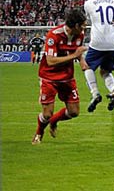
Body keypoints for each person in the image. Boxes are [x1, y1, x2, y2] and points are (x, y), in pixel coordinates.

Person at [31, 9, 88, 145]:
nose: (84, 28)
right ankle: (39, 132)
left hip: (67, 77)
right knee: (46, 114)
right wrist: (74, 56)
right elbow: (50, 61)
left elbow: (77, 51)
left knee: (74, 112)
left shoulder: (79, 35)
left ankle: (54, 121)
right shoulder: (54, 35)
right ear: (75, 25)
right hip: (49, 77)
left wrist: (81, 61)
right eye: (83, 25)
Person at [82, 0, 114, 113]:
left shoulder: (88, 3)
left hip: (98, 42)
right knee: (105, 71)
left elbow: (87, 21)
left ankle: (95, 93)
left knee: (87, 66)